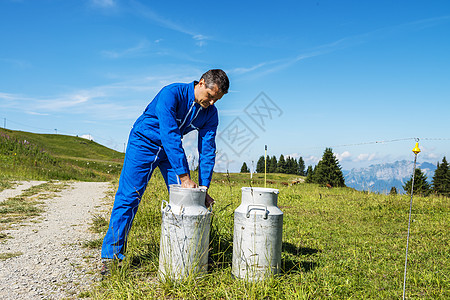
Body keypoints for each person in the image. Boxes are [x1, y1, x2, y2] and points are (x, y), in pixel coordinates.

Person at [100, 69, 229, 273]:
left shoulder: (210, 113)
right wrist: (185, 177)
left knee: (188, 200)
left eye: (217, 99)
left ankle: (190, 254)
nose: (212, 103)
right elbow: (169, 134)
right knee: (129, 196)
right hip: (144, 143)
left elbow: (207, 151)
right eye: (211, 96)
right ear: (201, 83)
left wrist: (203, 189)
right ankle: (111, 256)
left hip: (170, 152)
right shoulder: (172, 93)